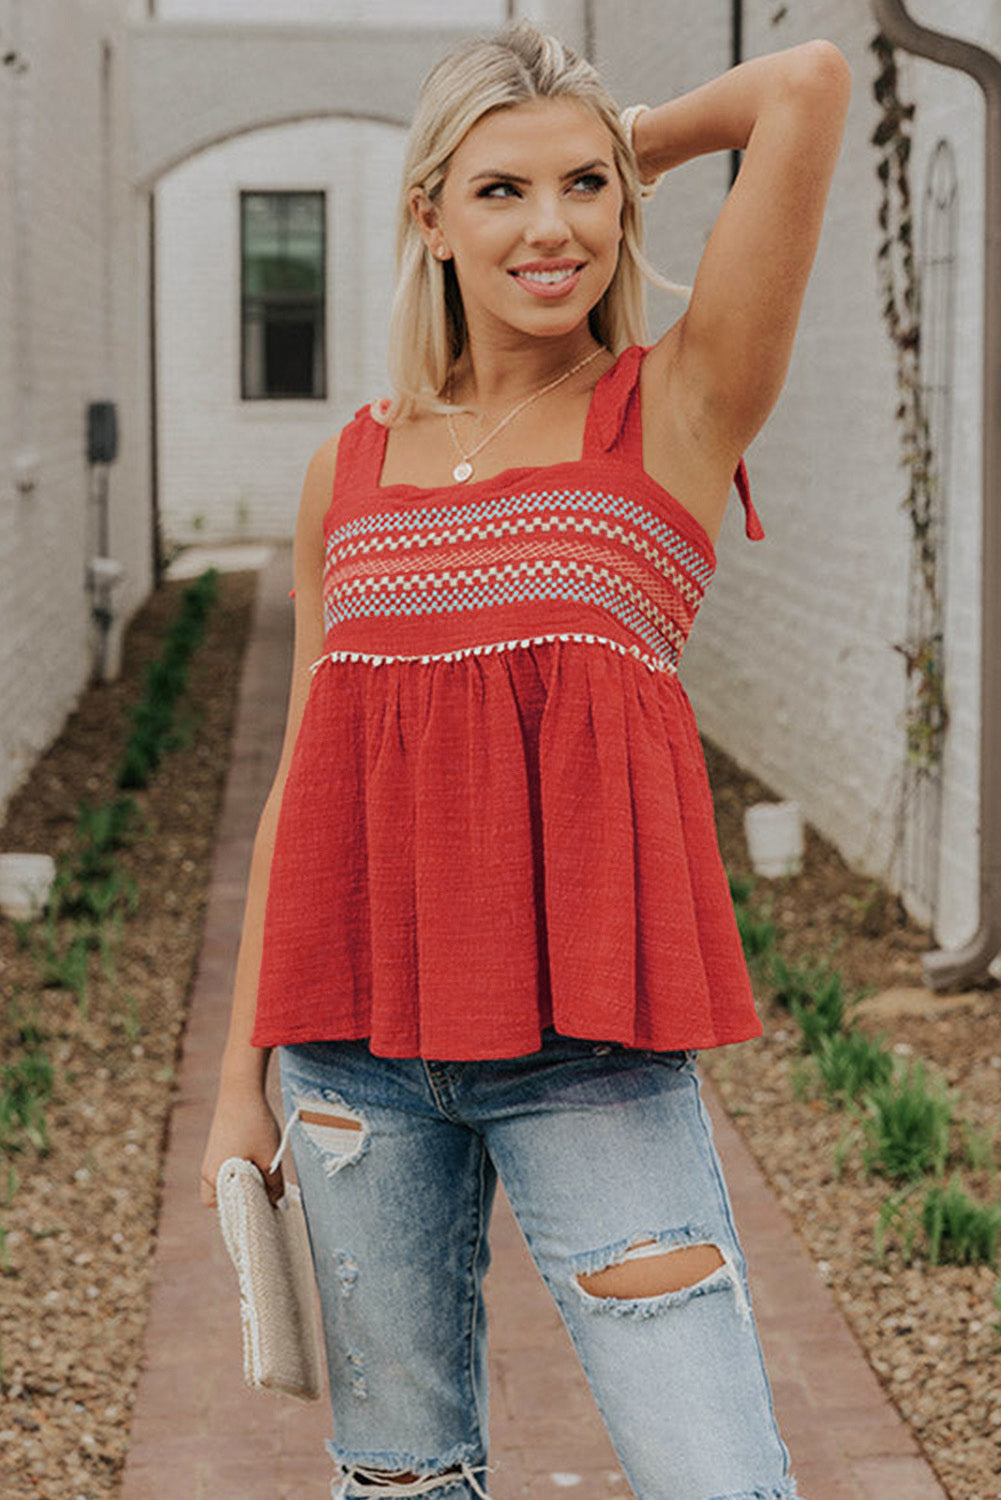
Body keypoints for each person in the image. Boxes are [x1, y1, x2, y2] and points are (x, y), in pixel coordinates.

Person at [200, 18, 849, 1500]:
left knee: (714, 1474)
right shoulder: (347, 465)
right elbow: (305, 777)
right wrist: (244, 1081)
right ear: (426, 218)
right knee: (400, 1479)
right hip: (351, 1054)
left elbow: (804, 82)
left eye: (583, 189)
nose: (549, 228)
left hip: (589, 1054)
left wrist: (634, 137)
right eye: (498, 191)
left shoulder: (671, 410)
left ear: (622, 205)